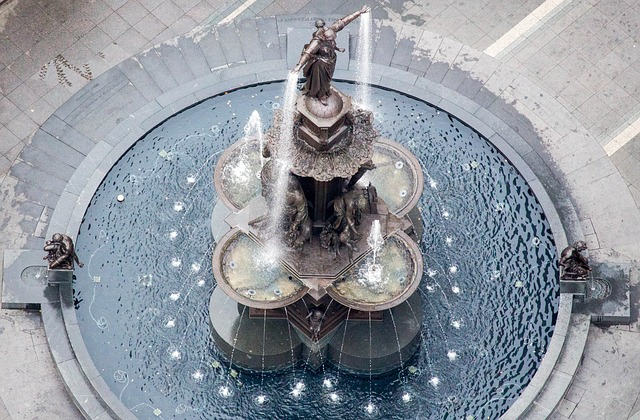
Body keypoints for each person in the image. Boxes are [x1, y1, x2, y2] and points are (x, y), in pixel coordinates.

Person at [292, 6, 370, 105]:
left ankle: (317, 89)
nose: (332, 39)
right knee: (322, 80)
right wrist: (299, 66)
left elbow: (344, 21)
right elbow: (308, 53)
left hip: (331, 60)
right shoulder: (317, 40)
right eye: (329, 39)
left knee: (328, 79)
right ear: (323, 36)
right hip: (321, 64)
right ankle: (321, 95)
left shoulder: (331, 29)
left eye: (333, 37)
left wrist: (359, 12)